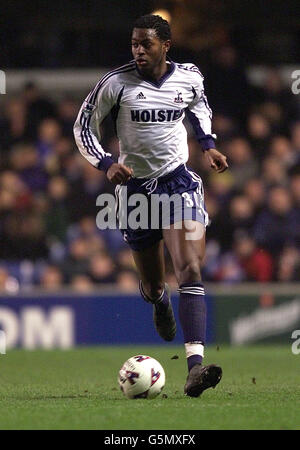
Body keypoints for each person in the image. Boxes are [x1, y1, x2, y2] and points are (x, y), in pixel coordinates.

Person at [74, 14, 228, 397]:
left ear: (165, 46)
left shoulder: (189, 77)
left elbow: (199, 107)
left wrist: (207, 145)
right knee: (153, 283)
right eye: (134, 44)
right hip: (136, 191)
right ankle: (159, 301)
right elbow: (83, 126)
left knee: (190, 267)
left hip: (179, 183)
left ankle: (195, 367)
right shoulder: (116, 83)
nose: (138, 50)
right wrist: (107, 164)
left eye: (146, 44)